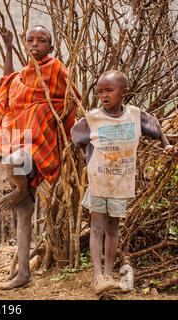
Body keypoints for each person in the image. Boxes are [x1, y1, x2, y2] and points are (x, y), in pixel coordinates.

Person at [0, 26, 80, 290]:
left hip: (41, 142)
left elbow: (72, 99)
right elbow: (8, 82)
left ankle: (20, 189)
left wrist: (43, 112)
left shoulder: (56, 69)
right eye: (30, 40)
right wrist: (8, 45)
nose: (35, 44)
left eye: (42, 41)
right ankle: (24, 273)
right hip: (19, 137)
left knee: (12, 161)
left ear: (50, 46)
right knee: (24, 209)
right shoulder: (25, 73)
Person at [71, 70, 177, 295]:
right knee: (97, 227)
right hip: (99, 181)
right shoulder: (93, 118)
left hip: (121, 182)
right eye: (100, 92)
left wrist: (166, 144)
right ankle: (98, 276)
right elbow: (76, 135)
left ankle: (109, 272)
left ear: (124, 92)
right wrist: (85, 155)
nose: (104, 96)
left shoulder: (135, 116)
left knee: (113, 228)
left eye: (109, 90)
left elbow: (156, 127)